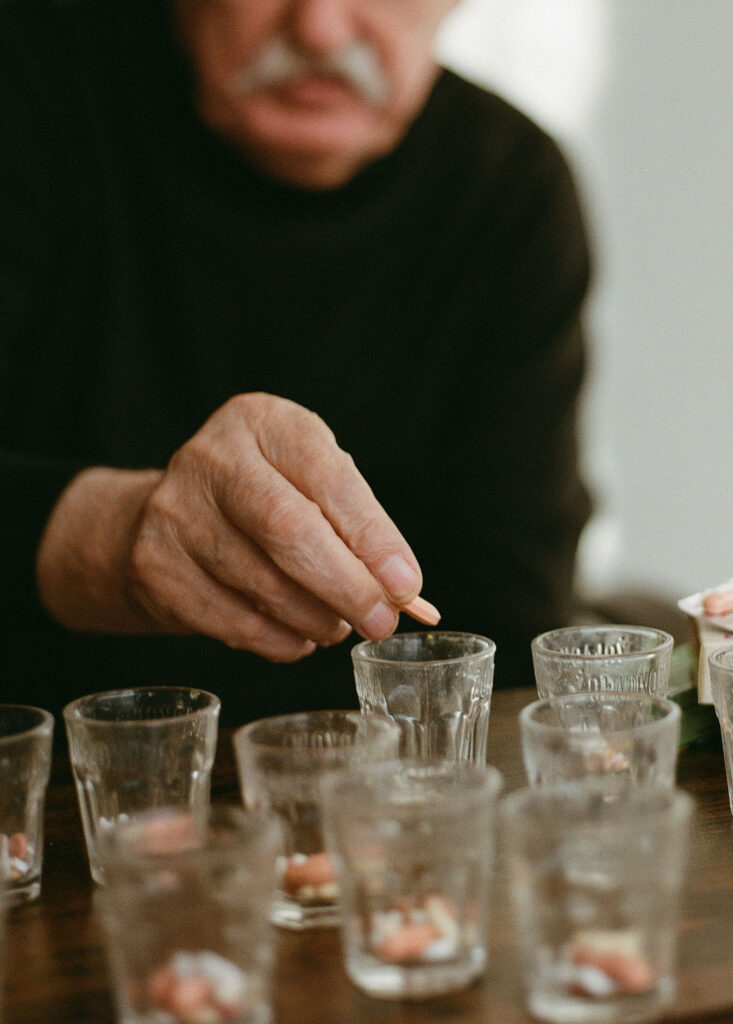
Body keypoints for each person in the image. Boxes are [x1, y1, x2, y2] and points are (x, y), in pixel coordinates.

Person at [0, 0, 593, 725]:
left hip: (374, 798)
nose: (320, 28)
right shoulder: (29, 86)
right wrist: (111, 532)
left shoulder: (510, 184)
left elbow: (509, 630)